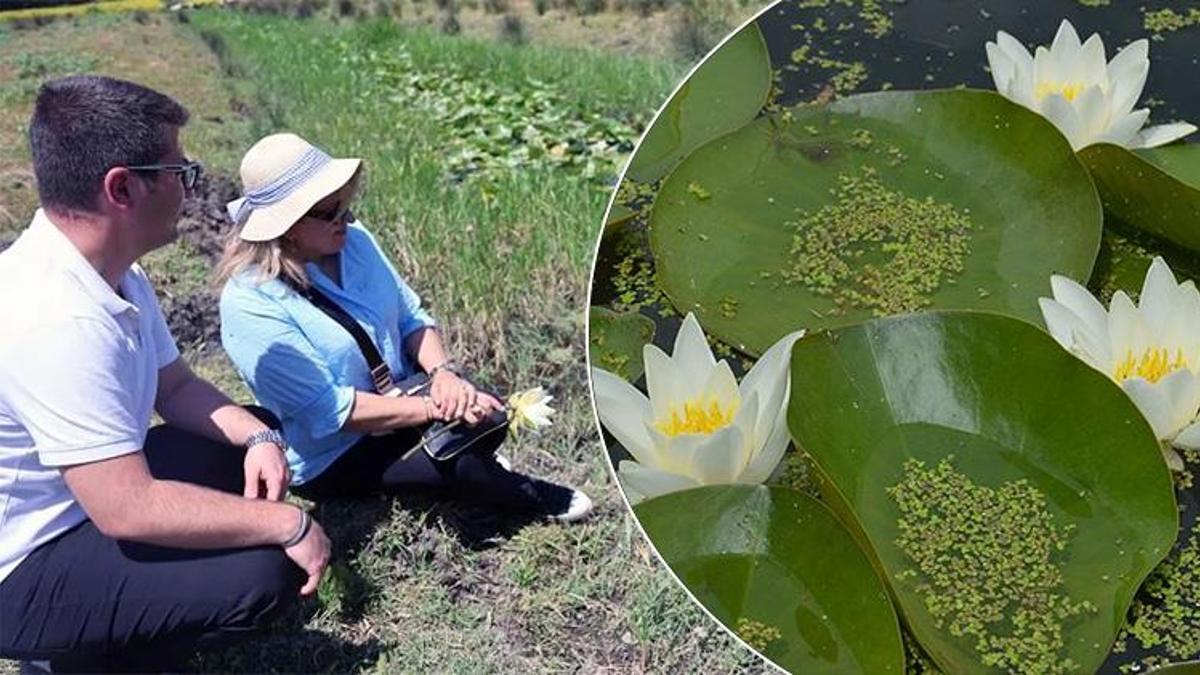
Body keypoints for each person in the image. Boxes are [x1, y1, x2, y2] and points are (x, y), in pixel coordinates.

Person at [0, 76, 331, 672]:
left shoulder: (110, 269)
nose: (190, 190)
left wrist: (259, 438)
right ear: (122, 188)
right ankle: (79, 657)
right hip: (26, 566)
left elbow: (174, 387)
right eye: (181, 174)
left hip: (87, 499)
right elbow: (127, 509)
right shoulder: (56, 319)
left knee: (248, 434)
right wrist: (286, 521)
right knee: (263, 571)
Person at [215, 133, 592, 521]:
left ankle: (459, 459)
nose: (345, 218)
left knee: (490, 413)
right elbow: (331, 412)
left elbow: (411, 316)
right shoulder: (250, 302)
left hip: (404, 396)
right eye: (330, 211)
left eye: (346, 204)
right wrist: (433, 408)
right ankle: (525, 495)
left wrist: (444, 376)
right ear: (288, 225)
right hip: (336, 450)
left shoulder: (354, 240)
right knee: (461, 465)